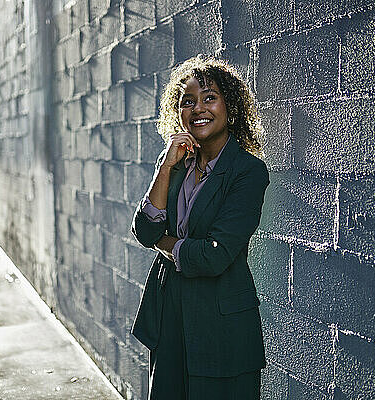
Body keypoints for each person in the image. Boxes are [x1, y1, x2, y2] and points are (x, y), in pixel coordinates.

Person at [131, 55, 269, 399]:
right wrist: (164, 164)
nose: (198, 108)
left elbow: (214, 255)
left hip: (220, 327)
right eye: (187, 101)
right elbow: (144, 229)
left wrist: (165, 243)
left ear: (230, 107)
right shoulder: (177, 162)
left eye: (209, 97)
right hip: (170, 318)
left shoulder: (248, 172)